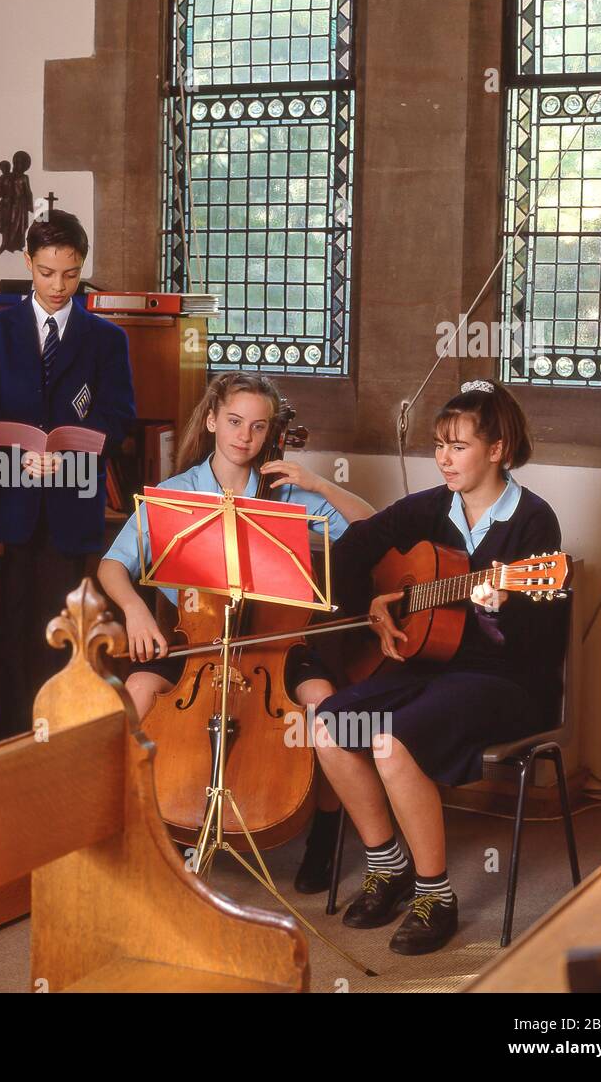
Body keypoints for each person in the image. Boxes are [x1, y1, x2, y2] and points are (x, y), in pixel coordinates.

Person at [314, 379, 569, 954]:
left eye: (458, 446)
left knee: (392, 742)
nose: (444, 458)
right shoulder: (430, 507)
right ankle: (388, 864)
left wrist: (501, 611)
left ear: (497, 449)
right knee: (329, 723)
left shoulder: (534, 521)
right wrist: (377, 606)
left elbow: (539, 639)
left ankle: (435, 894)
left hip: (507, 681)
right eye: (439, 444)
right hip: (432, 669)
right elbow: (356, 546)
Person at [96, 371, 375, 891]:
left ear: (270, 432)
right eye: (234, 422)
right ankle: (147, 829)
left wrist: (318, 484)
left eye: (258, 426)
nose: (244, 436)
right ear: (211, 421)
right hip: (197, 639)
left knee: (323, 702)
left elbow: (374, 529)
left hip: (273, 642)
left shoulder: (289, 493)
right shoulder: (175, 493)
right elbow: (113, 566)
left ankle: (325, 836)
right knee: (136, 691)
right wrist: (135, 611)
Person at [0, 209, 136, 738]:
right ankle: (7, 738)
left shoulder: (107, 340)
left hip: (71, 500)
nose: (59, 286)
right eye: (46, 273)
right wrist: (16, 458)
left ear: (82, 265)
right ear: (28, 264)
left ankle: (55, 733)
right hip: (8, 499)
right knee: (6, 625)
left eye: (69, 273)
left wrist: (69, 456)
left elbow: (119, 419)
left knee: (60, 626)